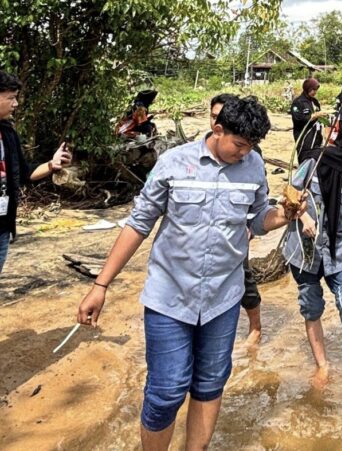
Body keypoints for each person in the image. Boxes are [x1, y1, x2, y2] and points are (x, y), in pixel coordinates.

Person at [76, 96, 304, 450]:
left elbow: (259, 219)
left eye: (252, 147)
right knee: (166, 391)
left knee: (211, 383)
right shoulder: (173, 163)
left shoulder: (254, 166)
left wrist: (284, 215)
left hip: (222, 300)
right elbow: (138, 225)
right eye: (239, 144)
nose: (245, 153)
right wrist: (100, 285)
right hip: (169, 298)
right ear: (217, 129)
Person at [283, 117, 342, 380]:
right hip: (305, 251)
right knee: (311, 306)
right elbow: (289, 193)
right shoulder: (313, 163)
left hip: (337, 251)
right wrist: (303, 217)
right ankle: (322, 366)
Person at [0, 70, 72, 274]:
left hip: (3, 228)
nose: (16, 104)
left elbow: (24, 174)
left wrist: (52, 164)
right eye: (11, 98)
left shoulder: (8, 133)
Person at [210, 94, 264, 344]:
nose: (244, 152)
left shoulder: (250, 158)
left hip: (235, 240)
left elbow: (259, 204)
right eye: (212, 116)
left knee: (244, 279)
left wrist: (251, 226)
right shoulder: (184, 159)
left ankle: (255, 327)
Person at [291, 78, 325, 163]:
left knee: (316, 160)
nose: (314, 92)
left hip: (316, 136)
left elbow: (318, 117)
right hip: (304, 137)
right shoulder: (298, 102)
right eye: (312, 89)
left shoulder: (315, 102)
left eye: (316, 90)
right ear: (307, 88)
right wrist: (312, 116)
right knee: (305, 160)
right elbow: (297, 119)